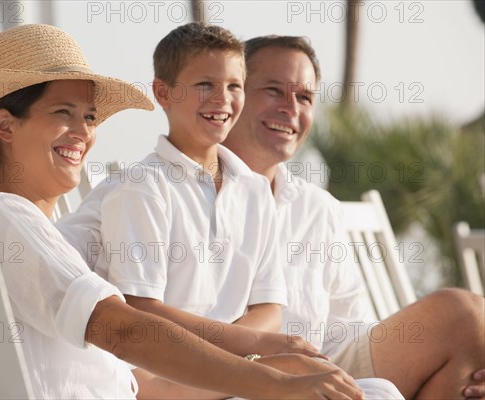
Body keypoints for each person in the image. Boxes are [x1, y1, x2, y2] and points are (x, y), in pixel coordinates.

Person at [0, 23, 365, 400]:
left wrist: (276, 367)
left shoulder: (54, 235)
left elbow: (140, 379)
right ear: (5, 127)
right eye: (63, 113)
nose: (84, 132)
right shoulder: (3, 216)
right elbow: (125, 329)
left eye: (90, 116)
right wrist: (272, 380)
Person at [56, 23, 402, 399]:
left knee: (381, 391)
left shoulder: (253, 190)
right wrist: (260, 351)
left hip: (236, 371)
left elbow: (270, 306)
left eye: (234, 86)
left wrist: (250, 356)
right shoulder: (143, 186)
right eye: (205, 84)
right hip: (163, 374)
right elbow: (141, 310)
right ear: (163, 92)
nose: (222, 98)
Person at [221, 34, 485, 400]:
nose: (290, 108)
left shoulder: (317, 208)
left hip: (322, 367)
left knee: (466, 315)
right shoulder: (184, 193)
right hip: (229, 378)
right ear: (232, 94)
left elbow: (349, 327)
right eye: (273, 90)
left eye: (304, 97)